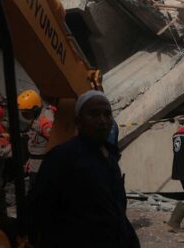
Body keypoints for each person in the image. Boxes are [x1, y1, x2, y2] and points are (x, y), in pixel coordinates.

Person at [28, 90, 139, 248]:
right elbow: (40, 210)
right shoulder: (63, 157)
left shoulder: (110, 156)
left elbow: (116, 211)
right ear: (78, 122)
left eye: (107, 114)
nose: (102, 120)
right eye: (94, 114)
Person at [17, 89, 54, 192]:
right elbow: (36, 142)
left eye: (26, 113)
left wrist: (43, 130)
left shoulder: (45, 121)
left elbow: (55, 141)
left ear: (35, 109)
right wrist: (31, 160)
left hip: (42, 167)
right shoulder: (37, 117)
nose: (25, 116)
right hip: (35, 165)